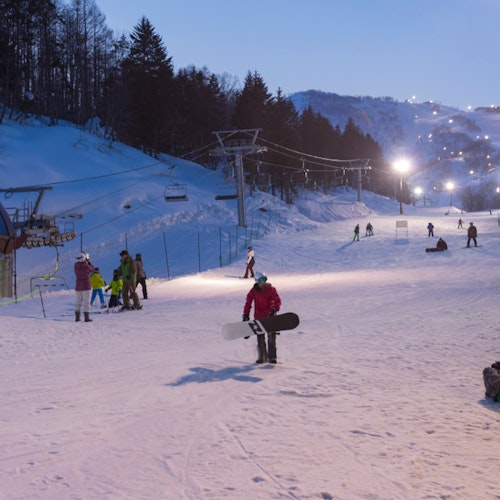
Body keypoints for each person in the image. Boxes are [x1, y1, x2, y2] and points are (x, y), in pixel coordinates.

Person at [243, 273, 282, 364]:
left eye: (264, 279)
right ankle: (262, 357)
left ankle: (272, 357)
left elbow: (277, 300)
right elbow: (248, 303)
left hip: (270, 316)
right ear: (257, 281)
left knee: (271, 338)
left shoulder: (271, 289)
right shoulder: (253, 291)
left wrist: (275, 308)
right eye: (261, 280)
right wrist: (246, 314)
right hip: (259, 317)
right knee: (260, 339)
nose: (263, 282)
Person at [74, 252, 95, 322]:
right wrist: (89, 262)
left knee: (78, 301)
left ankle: (77, 317)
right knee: (86, 302)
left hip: (78, 286)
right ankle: (86, 317)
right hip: (86, 286)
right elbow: (92, 269)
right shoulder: (85, 266)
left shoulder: (76, 265)